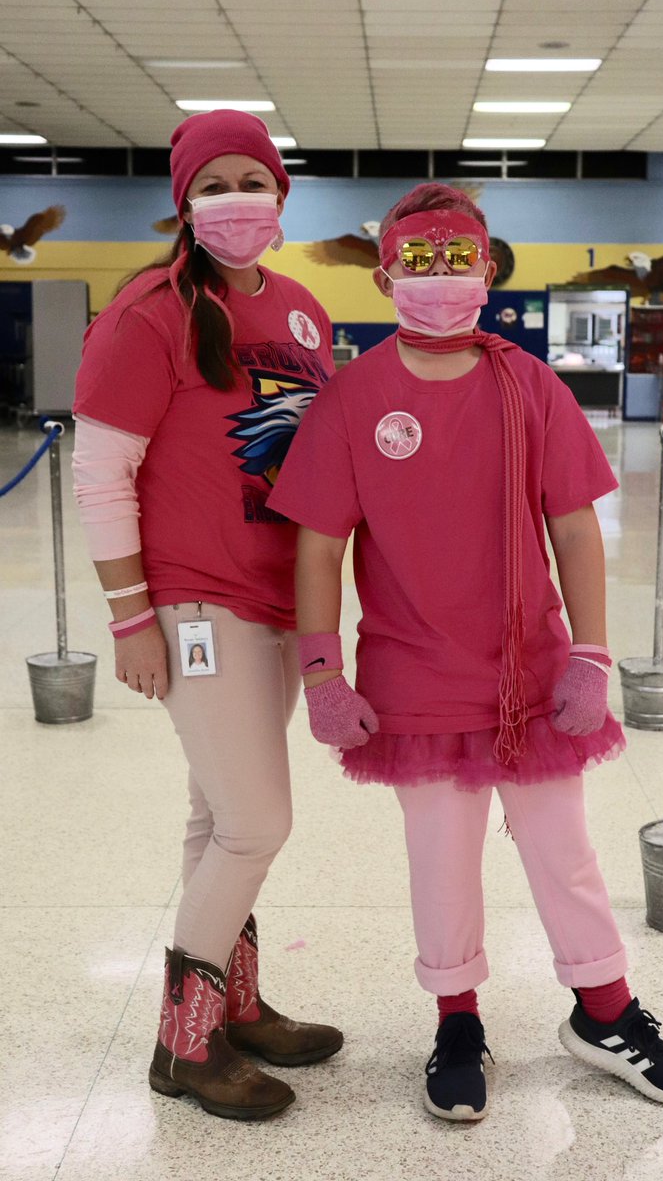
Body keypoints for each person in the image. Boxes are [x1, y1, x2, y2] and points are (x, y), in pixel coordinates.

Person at [268, 183, 663, 1122]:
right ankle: (457, 1021)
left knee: (564, 850)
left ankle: (604, 1010)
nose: (438, 279)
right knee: (440, 860)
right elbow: (318, 540)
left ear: (488, 270)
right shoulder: (355, 397)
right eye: (418, 264)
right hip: (413, 678)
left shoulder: (526, 382)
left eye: (456, 260)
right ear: (386, 274)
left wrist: (590, 653)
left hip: (530, 672)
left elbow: (574, 526)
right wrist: (320, 670)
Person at [72, 109, 343, 1122]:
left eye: (254, 179)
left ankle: (232, 1005)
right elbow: (101, 474)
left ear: (282, 192)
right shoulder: (149, 312)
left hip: (278, 593)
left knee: (215, 819)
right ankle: (182, 1048)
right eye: (215, 182)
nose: (238, 199)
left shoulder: (305, 307)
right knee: (256, 822)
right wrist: (130, 617)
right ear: (185, 200)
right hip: (195, 600)